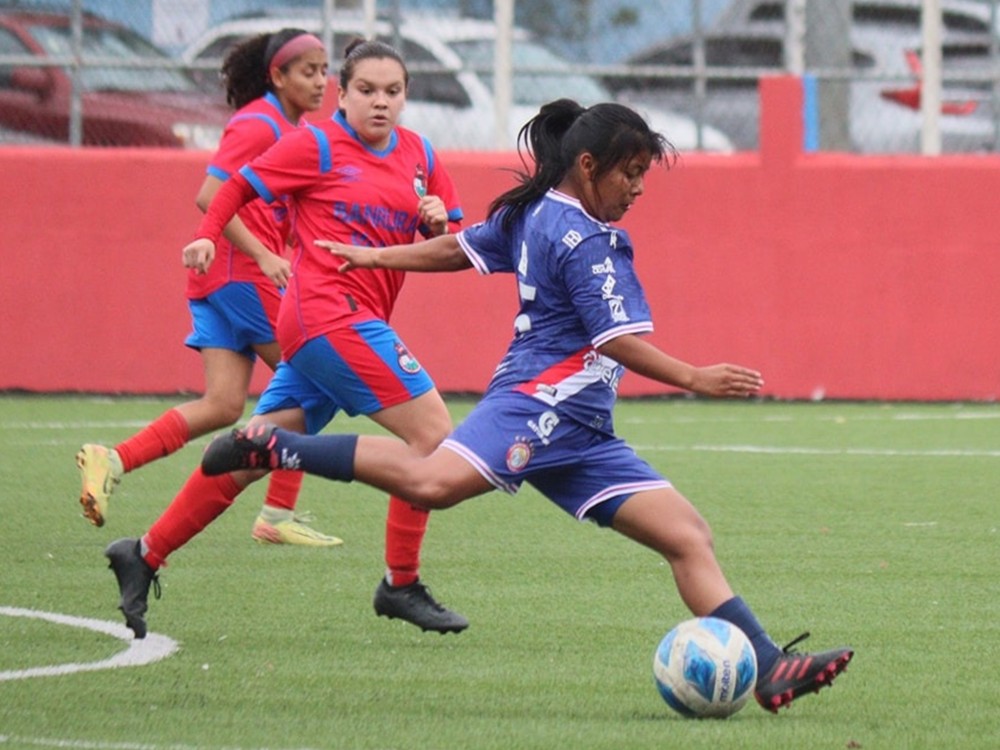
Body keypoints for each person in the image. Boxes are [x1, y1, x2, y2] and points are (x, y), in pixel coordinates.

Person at [201, 99, 855, 713]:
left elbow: (460, 247)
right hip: (539, 405)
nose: (639, 188)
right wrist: (695, 376)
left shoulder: (537, 209)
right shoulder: (587, 241)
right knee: (433, 482)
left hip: (584, 430)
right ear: (589, 166)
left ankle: (768, 667)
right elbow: (616, 339)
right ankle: (276, 446)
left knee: (687, 536)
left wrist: (375, 254)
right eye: (631, 173)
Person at [104, 38, 468, 639]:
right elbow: (233, 188)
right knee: (433, 440)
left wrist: (439, 217)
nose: (381, 103)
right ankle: (400, 584)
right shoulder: (315, 144)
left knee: (248, 452)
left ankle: (144, 552)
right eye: (366, 90)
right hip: (329, 316)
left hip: (337, 325)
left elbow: (453, 233)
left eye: (394, 92)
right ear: (342, 95)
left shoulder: (420, 154)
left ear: (406, 98)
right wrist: (204, 235)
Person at [76, 28, 339, 546]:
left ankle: (113, 459)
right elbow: (211, 194)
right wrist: (265, 253)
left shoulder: (292, 127)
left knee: (222, 405)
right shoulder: (259, 123)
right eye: (309, 71)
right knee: (315, 376)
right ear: (277, 76)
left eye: (324, 71)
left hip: (224, 279)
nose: (321, 81)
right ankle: (278, 512)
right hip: (242, 275)